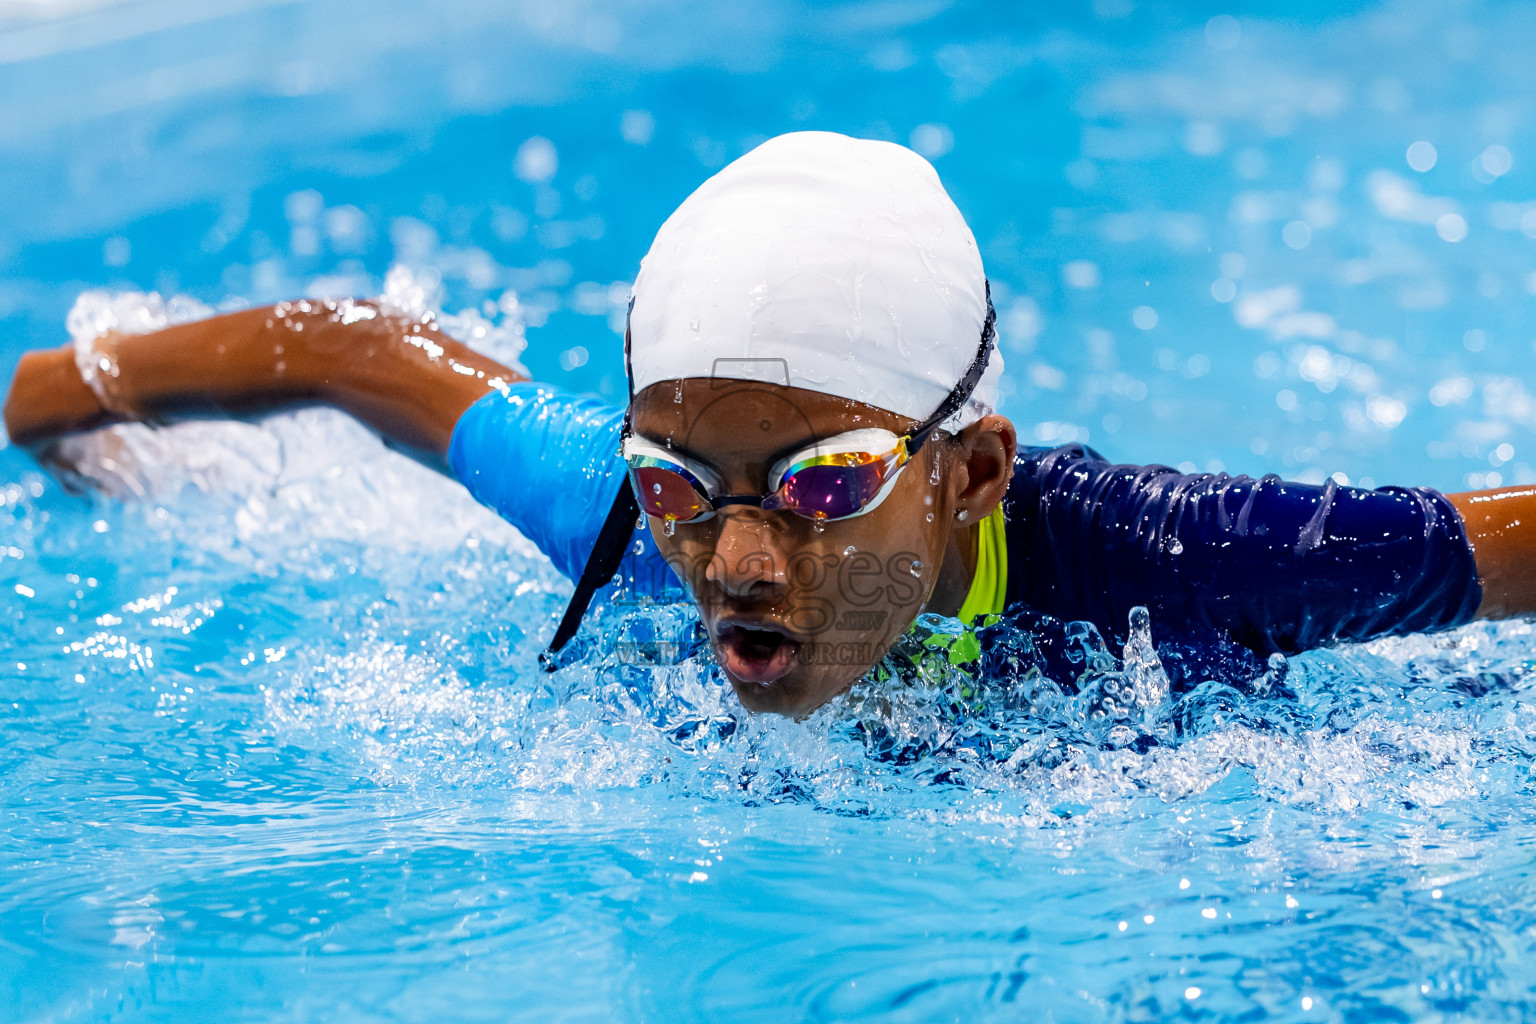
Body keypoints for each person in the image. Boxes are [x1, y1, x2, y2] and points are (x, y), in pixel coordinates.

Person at [5, 131, 1535, 718]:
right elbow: (345, 352)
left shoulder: (1183, 564)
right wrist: (44, 401)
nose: (730, 556)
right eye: (683, 479)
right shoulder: (617, 524)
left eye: (826, 486)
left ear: (974, 471)